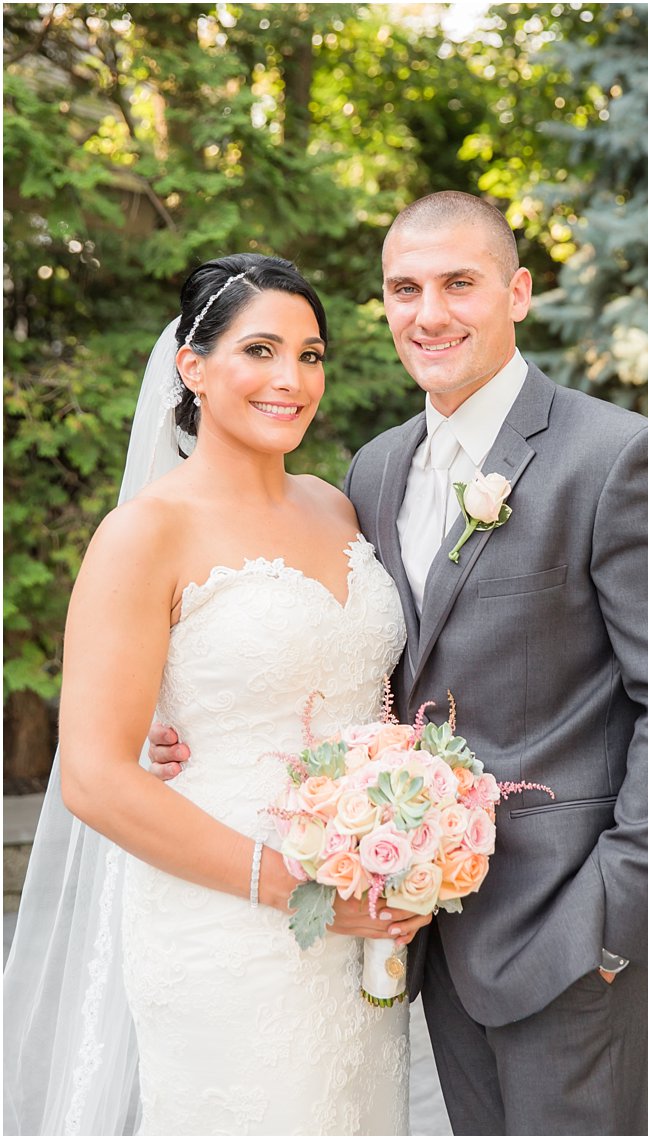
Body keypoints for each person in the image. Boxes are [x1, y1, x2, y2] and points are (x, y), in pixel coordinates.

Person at [151, 192, 648, 1135]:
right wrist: (180, 714)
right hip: (427, 924)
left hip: (568, 923)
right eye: (405, 288)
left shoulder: (620, 457)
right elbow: (351, 663)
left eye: (458, 283)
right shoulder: (372, 473)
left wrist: (616, 922)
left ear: (516, 292)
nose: (429, 312)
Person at [3, 253, 427, 1134]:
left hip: (356, 912)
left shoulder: (336, 506)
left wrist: (405, 827)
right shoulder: (144, 532)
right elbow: (90, 774)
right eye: (261, 349)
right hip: (225, 920)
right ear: (192, 367)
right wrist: (291, 886)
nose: (291, 379)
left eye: (310, 355)